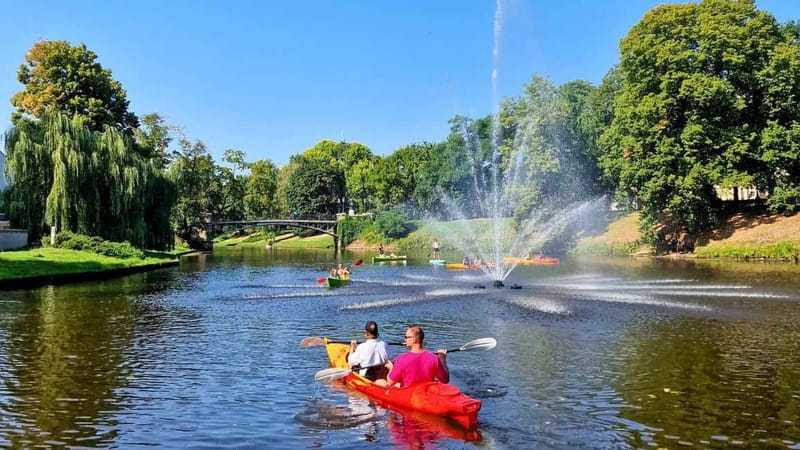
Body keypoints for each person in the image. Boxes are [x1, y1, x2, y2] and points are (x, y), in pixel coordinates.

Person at [379, 325, 449, 388]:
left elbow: (390, 383)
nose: (405, 339)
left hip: (408, 395)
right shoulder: (434, 358)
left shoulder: (402, 359)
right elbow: (445, 380)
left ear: (414, 339)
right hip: (424, 393)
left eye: (406, 337)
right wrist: (442, 359)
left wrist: (391, 367)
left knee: (379, 381)